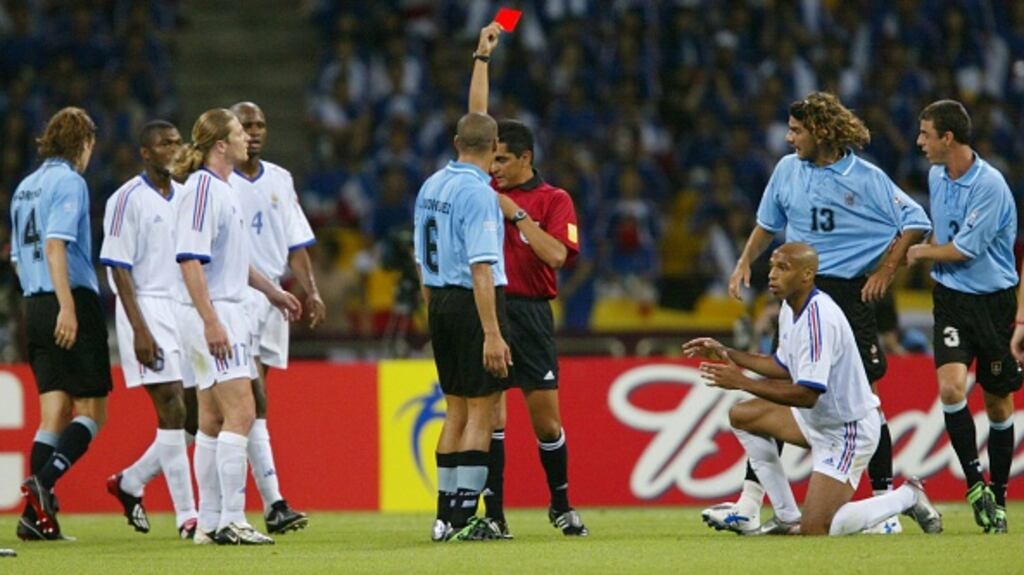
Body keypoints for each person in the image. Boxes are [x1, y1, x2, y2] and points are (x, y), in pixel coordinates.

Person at [706, 92, 932, 534]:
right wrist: (743, 263)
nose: (789, 139)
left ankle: (885, 504)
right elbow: (768, 224)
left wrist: (887, 269)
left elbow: (917, 219)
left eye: (796, 131)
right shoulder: (788, 170)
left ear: (822, 132)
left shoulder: (865, 177)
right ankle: (753, 503)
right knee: (777, 385)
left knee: (865, 401)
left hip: (848, 294)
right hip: (796, 289)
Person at [683, 242, 942, 536]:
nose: (772, 275)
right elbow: (782, 365)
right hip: (816, 420)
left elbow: (807, 395)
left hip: (847, 430)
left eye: (783, 268)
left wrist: (741, 381)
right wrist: (727, 353)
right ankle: (787, 515)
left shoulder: (819, 318)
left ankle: (906, 497)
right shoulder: (789, 308)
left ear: (807, 275)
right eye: (771, 267)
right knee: (743, 415)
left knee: (818, 528)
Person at [467, 23, 587, 538]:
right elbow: (476, 119)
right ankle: (493, 516)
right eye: (490, 158)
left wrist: (516, 216)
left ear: (525, 159)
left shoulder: (553, 200)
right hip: (490, 310)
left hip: (533, 312)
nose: (492, 168)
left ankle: (559, 503)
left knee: (545, 422)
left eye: (502, 160)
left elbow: (558, 255)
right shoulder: (482, 186)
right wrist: (481, 57)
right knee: (493, 418)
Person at [171, 108, 300, 545]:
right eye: (239, 132)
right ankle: (232, 518)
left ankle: (208, 523)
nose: (248, 137)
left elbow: (233, 260)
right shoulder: (203, 190)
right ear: (221, 144)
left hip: (221, 309)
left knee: (210, 420)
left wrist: (273, 291)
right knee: (243, 412)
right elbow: (190, 258)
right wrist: (211, 321)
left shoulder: (221, 189)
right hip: (214, 313)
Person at [908, 99, 1019, 534]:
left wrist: (919, 252)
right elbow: (945, 233)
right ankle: (975, 484)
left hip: (994, 303)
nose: (919, 142)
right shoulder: (938, 175)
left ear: (947, 138)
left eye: (925, 134)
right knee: (952, 388)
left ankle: (1001, 497)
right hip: (952, 298)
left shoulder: (990, 185)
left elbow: (963, 249)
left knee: (997, 401)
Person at [13, 107, 111, 541]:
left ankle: (33, 520)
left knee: (53, 413)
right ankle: (43, 484)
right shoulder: (69, 181)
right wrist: (67, 307)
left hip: (32, 302)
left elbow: (18, 257)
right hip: (67, 298)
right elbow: (56, 246)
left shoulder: (24, 188)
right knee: (92, 411)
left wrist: (42, 303)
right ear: (83, 142)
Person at [415, 112, 512, 542]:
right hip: (473, 304)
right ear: (494, 149)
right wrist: (492, 332)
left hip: (439, 301)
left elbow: (420, 259)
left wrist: (433, 308)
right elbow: (481, 268)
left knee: (454, 410)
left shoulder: (430, 186)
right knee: (482, 409)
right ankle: (466, 518)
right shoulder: (480, 194)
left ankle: (443, 517)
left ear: (456, 142)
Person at [100, 120, 199, 539]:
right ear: (145, 152)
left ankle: (130, 481)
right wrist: (140, 330)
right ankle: (187, 515)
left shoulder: (186, 197)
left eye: (178, 141)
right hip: (146, 307)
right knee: (173, 407)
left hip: (184, 309)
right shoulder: (126, 199)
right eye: (164, 143)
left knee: (195, 417)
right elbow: (117, 267)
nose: (174, 148)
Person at [228, 101, 323, 535]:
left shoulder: (280, 180)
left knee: (226, 411)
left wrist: (312, 291)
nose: (255, 131)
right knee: (250, 399)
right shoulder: (215, 182)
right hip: (231, 300)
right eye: (246, 124)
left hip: (273, 302)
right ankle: (272, 503)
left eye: (261, 124)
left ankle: (137, 480)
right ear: (231, 130)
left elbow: (296, 243)